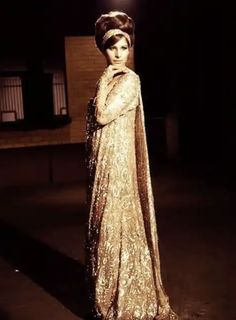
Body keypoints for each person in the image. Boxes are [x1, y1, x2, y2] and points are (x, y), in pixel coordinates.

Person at [85, 10, 178, 320]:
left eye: (124, 47)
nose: (118, 54)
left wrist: (102, 82)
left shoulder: (128, 79)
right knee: (102, 227)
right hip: (102, 164)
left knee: (117, 225)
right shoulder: (113, 77)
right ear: (103, 47)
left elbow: (102, 114)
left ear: (130, 48)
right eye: (112, 46)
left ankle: (125, 297)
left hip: (119, 169)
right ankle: (105, 291)